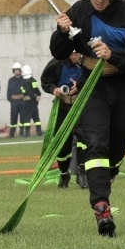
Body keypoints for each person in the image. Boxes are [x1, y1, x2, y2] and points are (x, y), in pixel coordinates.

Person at [51, 0, 125, 237]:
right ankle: (101, 207)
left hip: (124, 88)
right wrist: (61, 31)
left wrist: (112, 55)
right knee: (96, 143)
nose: (98, 0)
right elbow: (59, 51)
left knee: (116, 148)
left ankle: (109, 175)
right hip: (92, 86)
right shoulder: (79, 11)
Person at [40, 51, 86, 188]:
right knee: (62, 142)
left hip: (82, 106)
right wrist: (55, 90)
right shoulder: (57, 63)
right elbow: (46, 82)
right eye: (70, 54)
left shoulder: (88, 62)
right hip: (63, 107)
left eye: (76, 54)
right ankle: (64, 173)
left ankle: (82, 174)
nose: (73, 57)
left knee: (84, 140)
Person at [21, 64, 42, 137]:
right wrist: (37, 95)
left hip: (27, 102)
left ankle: (26, 132)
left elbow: (24, 91)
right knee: (36, 116)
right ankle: (39, 131)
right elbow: (37, 90)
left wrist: (34, 96)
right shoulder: (33, 80)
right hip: (34, 101)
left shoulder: (22, 81)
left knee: (27, 117)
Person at [6, 62, 25, 138]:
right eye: (15, 70)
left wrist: (22, 96)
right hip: (14, 102)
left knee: (22, 117)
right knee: (13, 117)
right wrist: (11, 99)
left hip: (22, 102)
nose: (17, 71)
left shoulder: (24, 80)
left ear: (20, 70)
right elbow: (9, 91)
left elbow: (25, 90)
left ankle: (21, 132)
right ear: (13, 71)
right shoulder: (11, 80)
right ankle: (12, 133)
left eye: (18, 70)